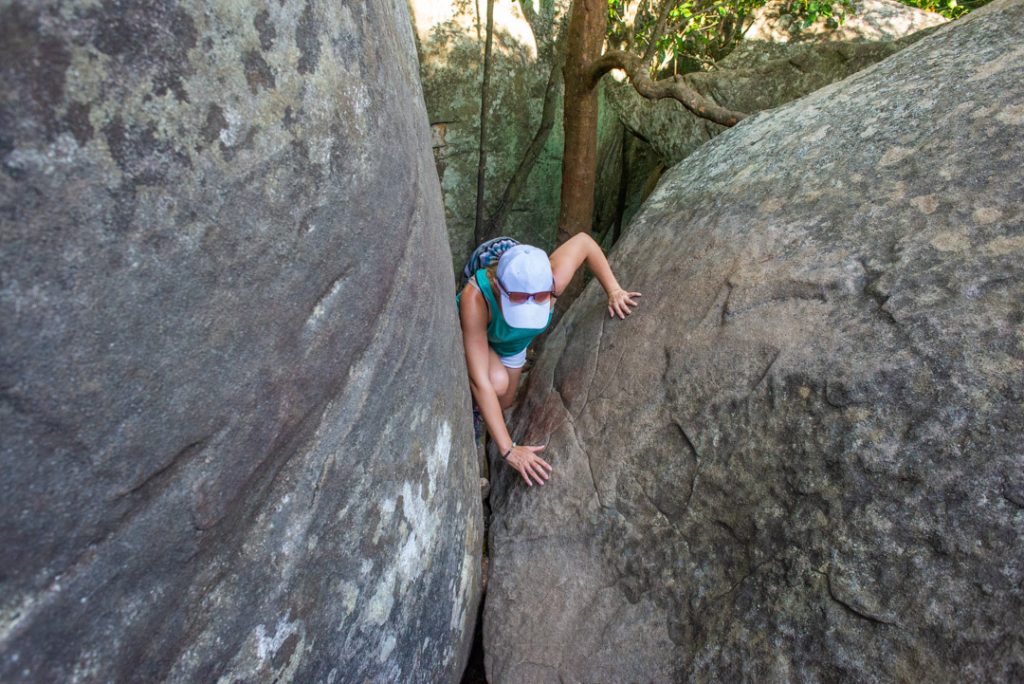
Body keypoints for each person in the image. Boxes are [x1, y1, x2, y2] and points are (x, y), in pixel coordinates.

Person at [457, 233, 641, 487]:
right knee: (495, 383)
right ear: (498, 287)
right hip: (481, 334)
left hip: (513, 345)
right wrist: (509, 450)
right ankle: (472, 416)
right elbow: (481, 382)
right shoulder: (475, 297)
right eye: (520, 302)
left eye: (540, 299)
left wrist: (614, 290)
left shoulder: (553, 279)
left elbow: (584, 243)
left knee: (506, 402)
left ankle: (490, 418)